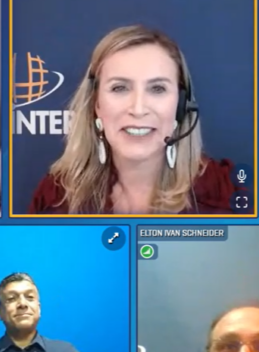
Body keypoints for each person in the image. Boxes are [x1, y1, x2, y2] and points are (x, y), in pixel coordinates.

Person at [28, 25, 237, 215]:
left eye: (157, 89)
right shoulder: (55, 198)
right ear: (96, 103)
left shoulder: (224, 195)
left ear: (181, 105)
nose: (138, 109)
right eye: (119, 88)